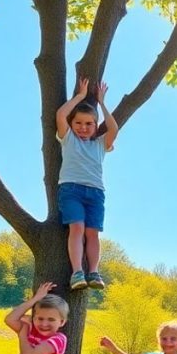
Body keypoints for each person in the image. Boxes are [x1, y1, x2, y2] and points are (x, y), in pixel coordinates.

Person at [55, 77, 119, 291]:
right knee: (77, 228)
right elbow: (61, 115)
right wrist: (81, 97)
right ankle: (77, 272)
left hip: (96, 193)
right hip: (71, 189)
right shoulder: (68, 139)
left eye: (89, 123)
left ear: (95, 125)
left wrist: (101, 102)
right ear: (72, 126)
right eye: (78, 123)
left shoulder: (101, 144)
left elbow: (114, 129)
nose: (83, 127)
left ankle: (93, 271)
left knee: (92, 233)